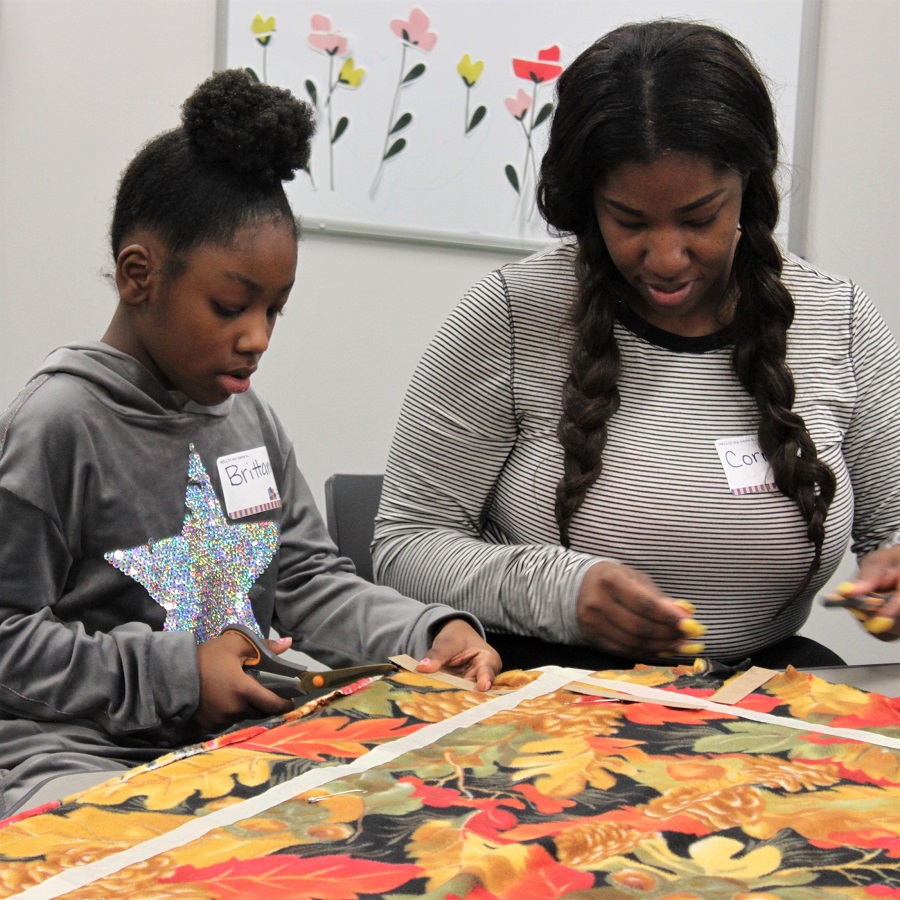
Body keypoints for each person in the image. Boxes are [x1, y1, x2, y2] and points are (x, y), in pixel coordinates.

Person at [0, 70, 500, 818]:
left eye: (275, 310)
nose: (257, 338)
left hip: (234, 739)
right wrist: (176, 675)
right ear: (140, 276)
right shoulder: (57, 424)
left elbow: (304, 578)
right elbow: (8, 641)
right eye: (231, 306)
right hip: (77, 753)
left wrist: (429, 631)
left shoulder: (248, 420)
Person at [371, 20, 900, 672]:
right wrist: (558, 592)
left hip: (763, 701)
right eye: (629, 221)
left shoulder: (836, 319)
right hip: (553, 700)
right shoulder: (512, 316)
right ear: (587, 203)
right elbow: (405, 543)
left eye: (701, 218)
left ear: (749, 187)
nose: (667, 258)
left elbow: (892, 527)